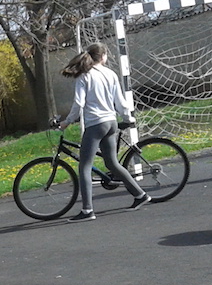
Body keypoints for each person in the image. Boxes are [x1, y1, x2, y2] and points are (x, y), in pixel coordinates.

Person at [57, 42, 150, 221]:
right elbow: (120, 102)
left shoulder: (84, 75)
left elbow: (79, 103)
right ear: (103, 57)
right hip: (111, 122)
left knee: (84, 167)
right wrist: (127, 118)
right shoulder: (110, 74)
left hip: (95, 125)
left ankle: (87, 210)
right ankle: (140, 195)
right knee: (112, 163)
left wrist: (66, 122)